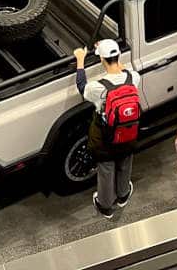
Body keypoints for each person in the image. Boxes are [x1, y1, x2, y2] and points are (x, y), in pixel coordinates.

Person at [73, 39, 141, 218]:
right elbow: (124, 71)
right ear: (118, 56)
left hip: (105, 136)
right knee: (125, 162)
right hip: (128, 131)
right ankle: (123, 195)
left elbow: (82, 87)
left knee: (106, 168)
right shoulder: (134, 77)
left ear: (102, 60)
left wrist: (80, 60)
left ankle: (105, 205)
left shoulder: (98, 87)